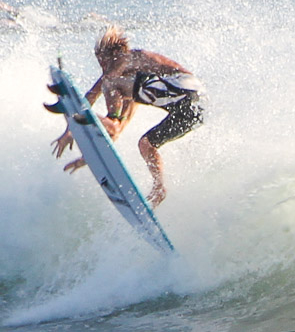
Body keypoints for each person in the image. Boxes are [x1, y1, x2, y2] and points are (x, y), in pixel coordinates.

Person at [52, 26, 204, 208]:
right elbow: (116, 130)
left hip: (186, 89)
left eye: (104, 63)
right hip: (197, 110)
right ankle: (159, 187)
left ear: (115, 53)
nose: (103, 69)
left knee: (110, 87)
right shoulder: (137, 88)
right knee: (146, 144)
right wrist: (89, 158)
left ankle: (108, 120)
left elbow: (92, 95)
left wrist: (71, 128)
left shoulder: (127, 57)